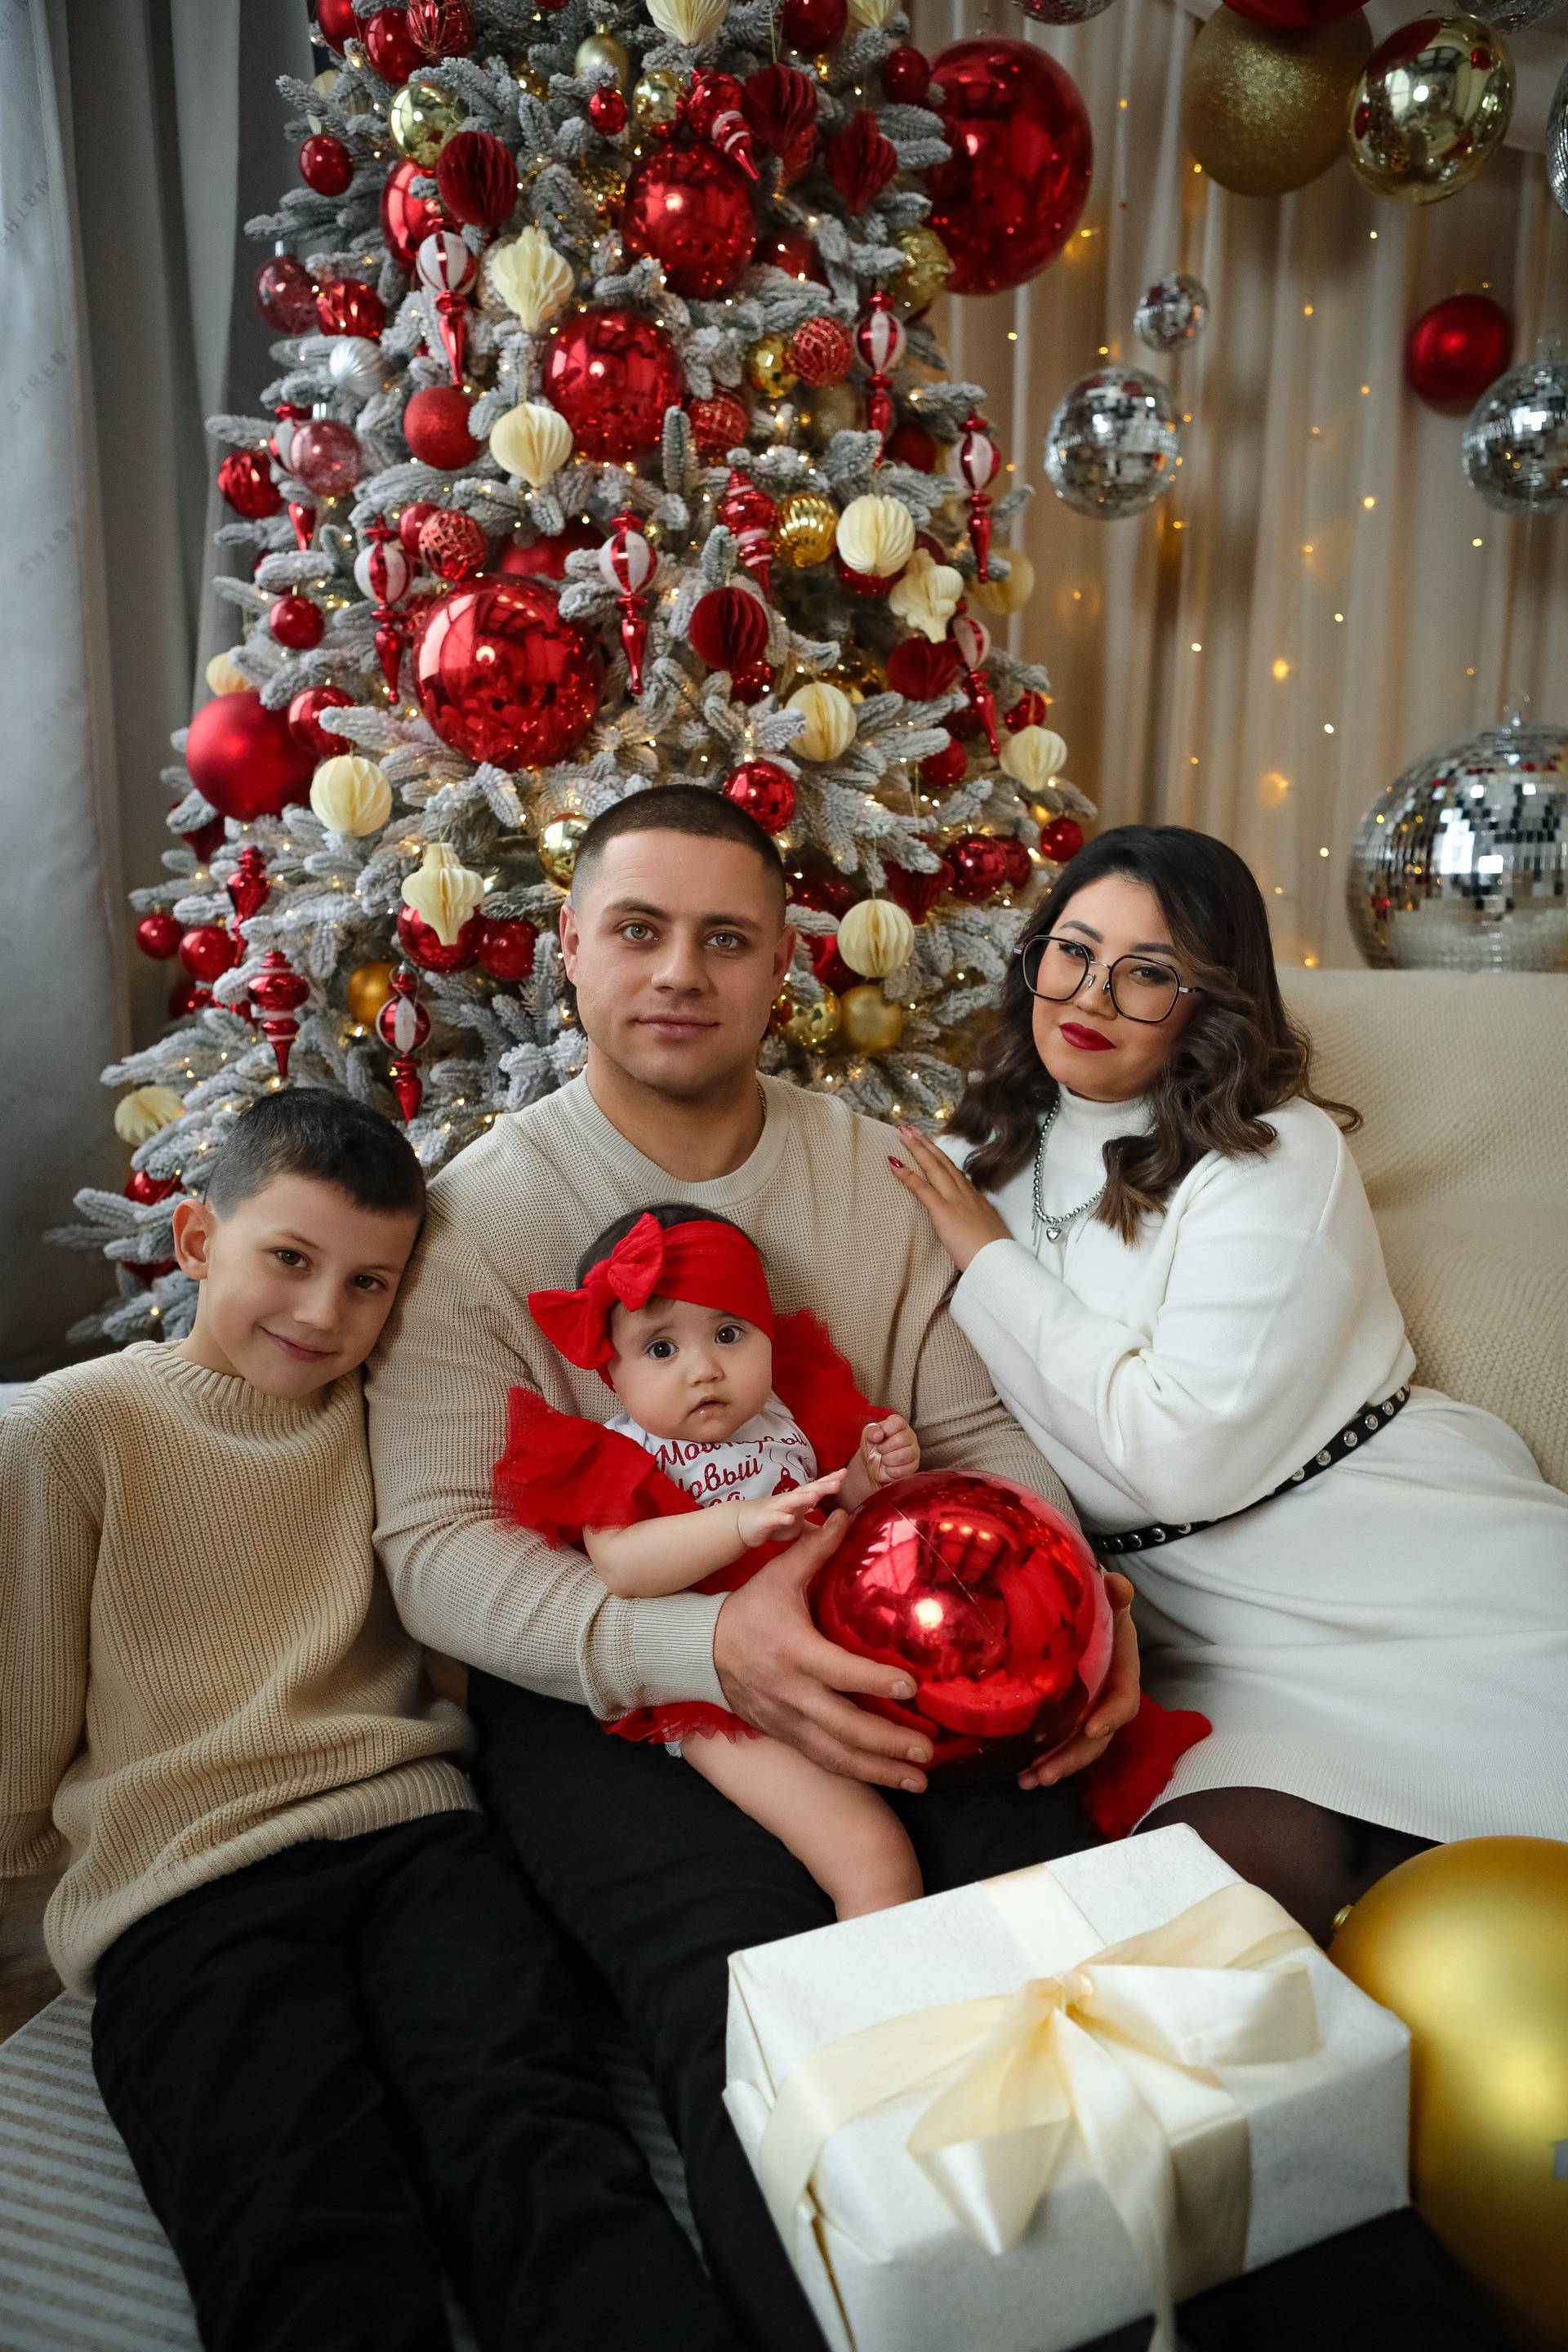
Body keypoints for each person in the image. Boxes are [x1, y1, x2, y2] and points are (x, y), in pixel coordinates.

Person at [368, 789, 1510, 2352]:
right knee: (759, 2020)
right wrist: (711, 1654)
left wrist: (1070, 1601)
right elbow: (437, 1553)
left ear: (784, 965)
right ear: (568, 947)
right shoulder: (473, 1219)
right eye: (637, 930)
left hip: (911, 1629)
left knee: (1092, 1956)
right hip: (618, 1685)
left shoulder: (873, 1174)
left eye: (726, 939)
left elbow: (978, 1432)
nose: (680, 972)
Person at [0, 1089, 735, 2352]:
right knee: (287, 2201)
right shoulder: (77, 1428)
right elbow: (21, 1720)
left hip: (414, 1839)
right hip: (186, 1884)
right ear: (196, 1241)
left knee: (535, 2139)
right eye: (289, 1260)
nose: (322, 1314)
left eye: (368, 1285)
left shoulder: (393, 1417)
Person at [889, 823, 1568, 1949]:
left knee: (1489, 1918)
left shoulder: (1274, 1154)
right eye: (1072, 951)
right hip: (1208, 1644)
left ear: (1209, 1001)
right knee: (1186, 1946)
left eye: (1148, 972)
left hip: (1417, 1587)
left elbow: (1180, 1454)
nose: (1092, 995)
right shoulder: (967, 1160)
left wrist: (988, 1260)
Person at [497, 1200, 924, 1918]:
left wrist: (870, 1473)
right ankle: (877, 1979)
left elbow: (837, 1510)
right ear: (613, 1371)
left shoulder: (788, 1412)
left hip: (835, 1633)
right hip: (722, 1693)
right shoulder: (621, 1452)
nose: (704, 1369)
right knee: (874, 1856)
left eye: (729, 1334)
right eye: (661, 1349)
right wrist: (739, 1523)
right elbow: (623, 1566)